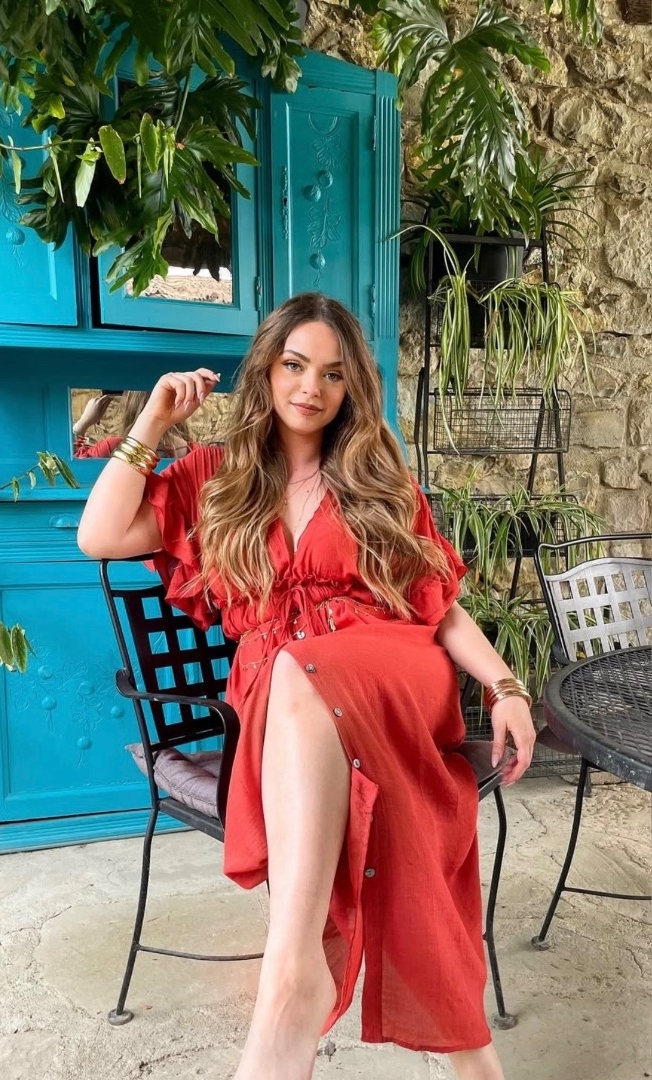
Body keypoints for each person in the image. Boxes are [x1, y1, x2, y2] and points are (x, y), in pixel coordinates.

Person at [78, 292, 535, 1080]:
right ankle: (468, 1059)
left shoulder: (375, 478)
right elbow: (100, 535)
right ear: (266, 370)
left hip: (390, 668)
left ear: (350, 386)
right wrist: (151, 421)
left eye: (331, 373)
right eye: (294, 365)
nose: (310, 387)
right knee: (307, 689)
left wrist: (505, 685)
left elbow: (439, 605)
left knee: (301, 666)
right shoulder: (213, 476)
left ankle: (290, 975)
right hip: (283, 694)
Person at [72, 390, 191, 458]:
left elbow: (71, 468)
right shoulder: (191, 452)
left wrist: (82, 424)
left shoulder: (113, 448)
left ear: (131, 407)